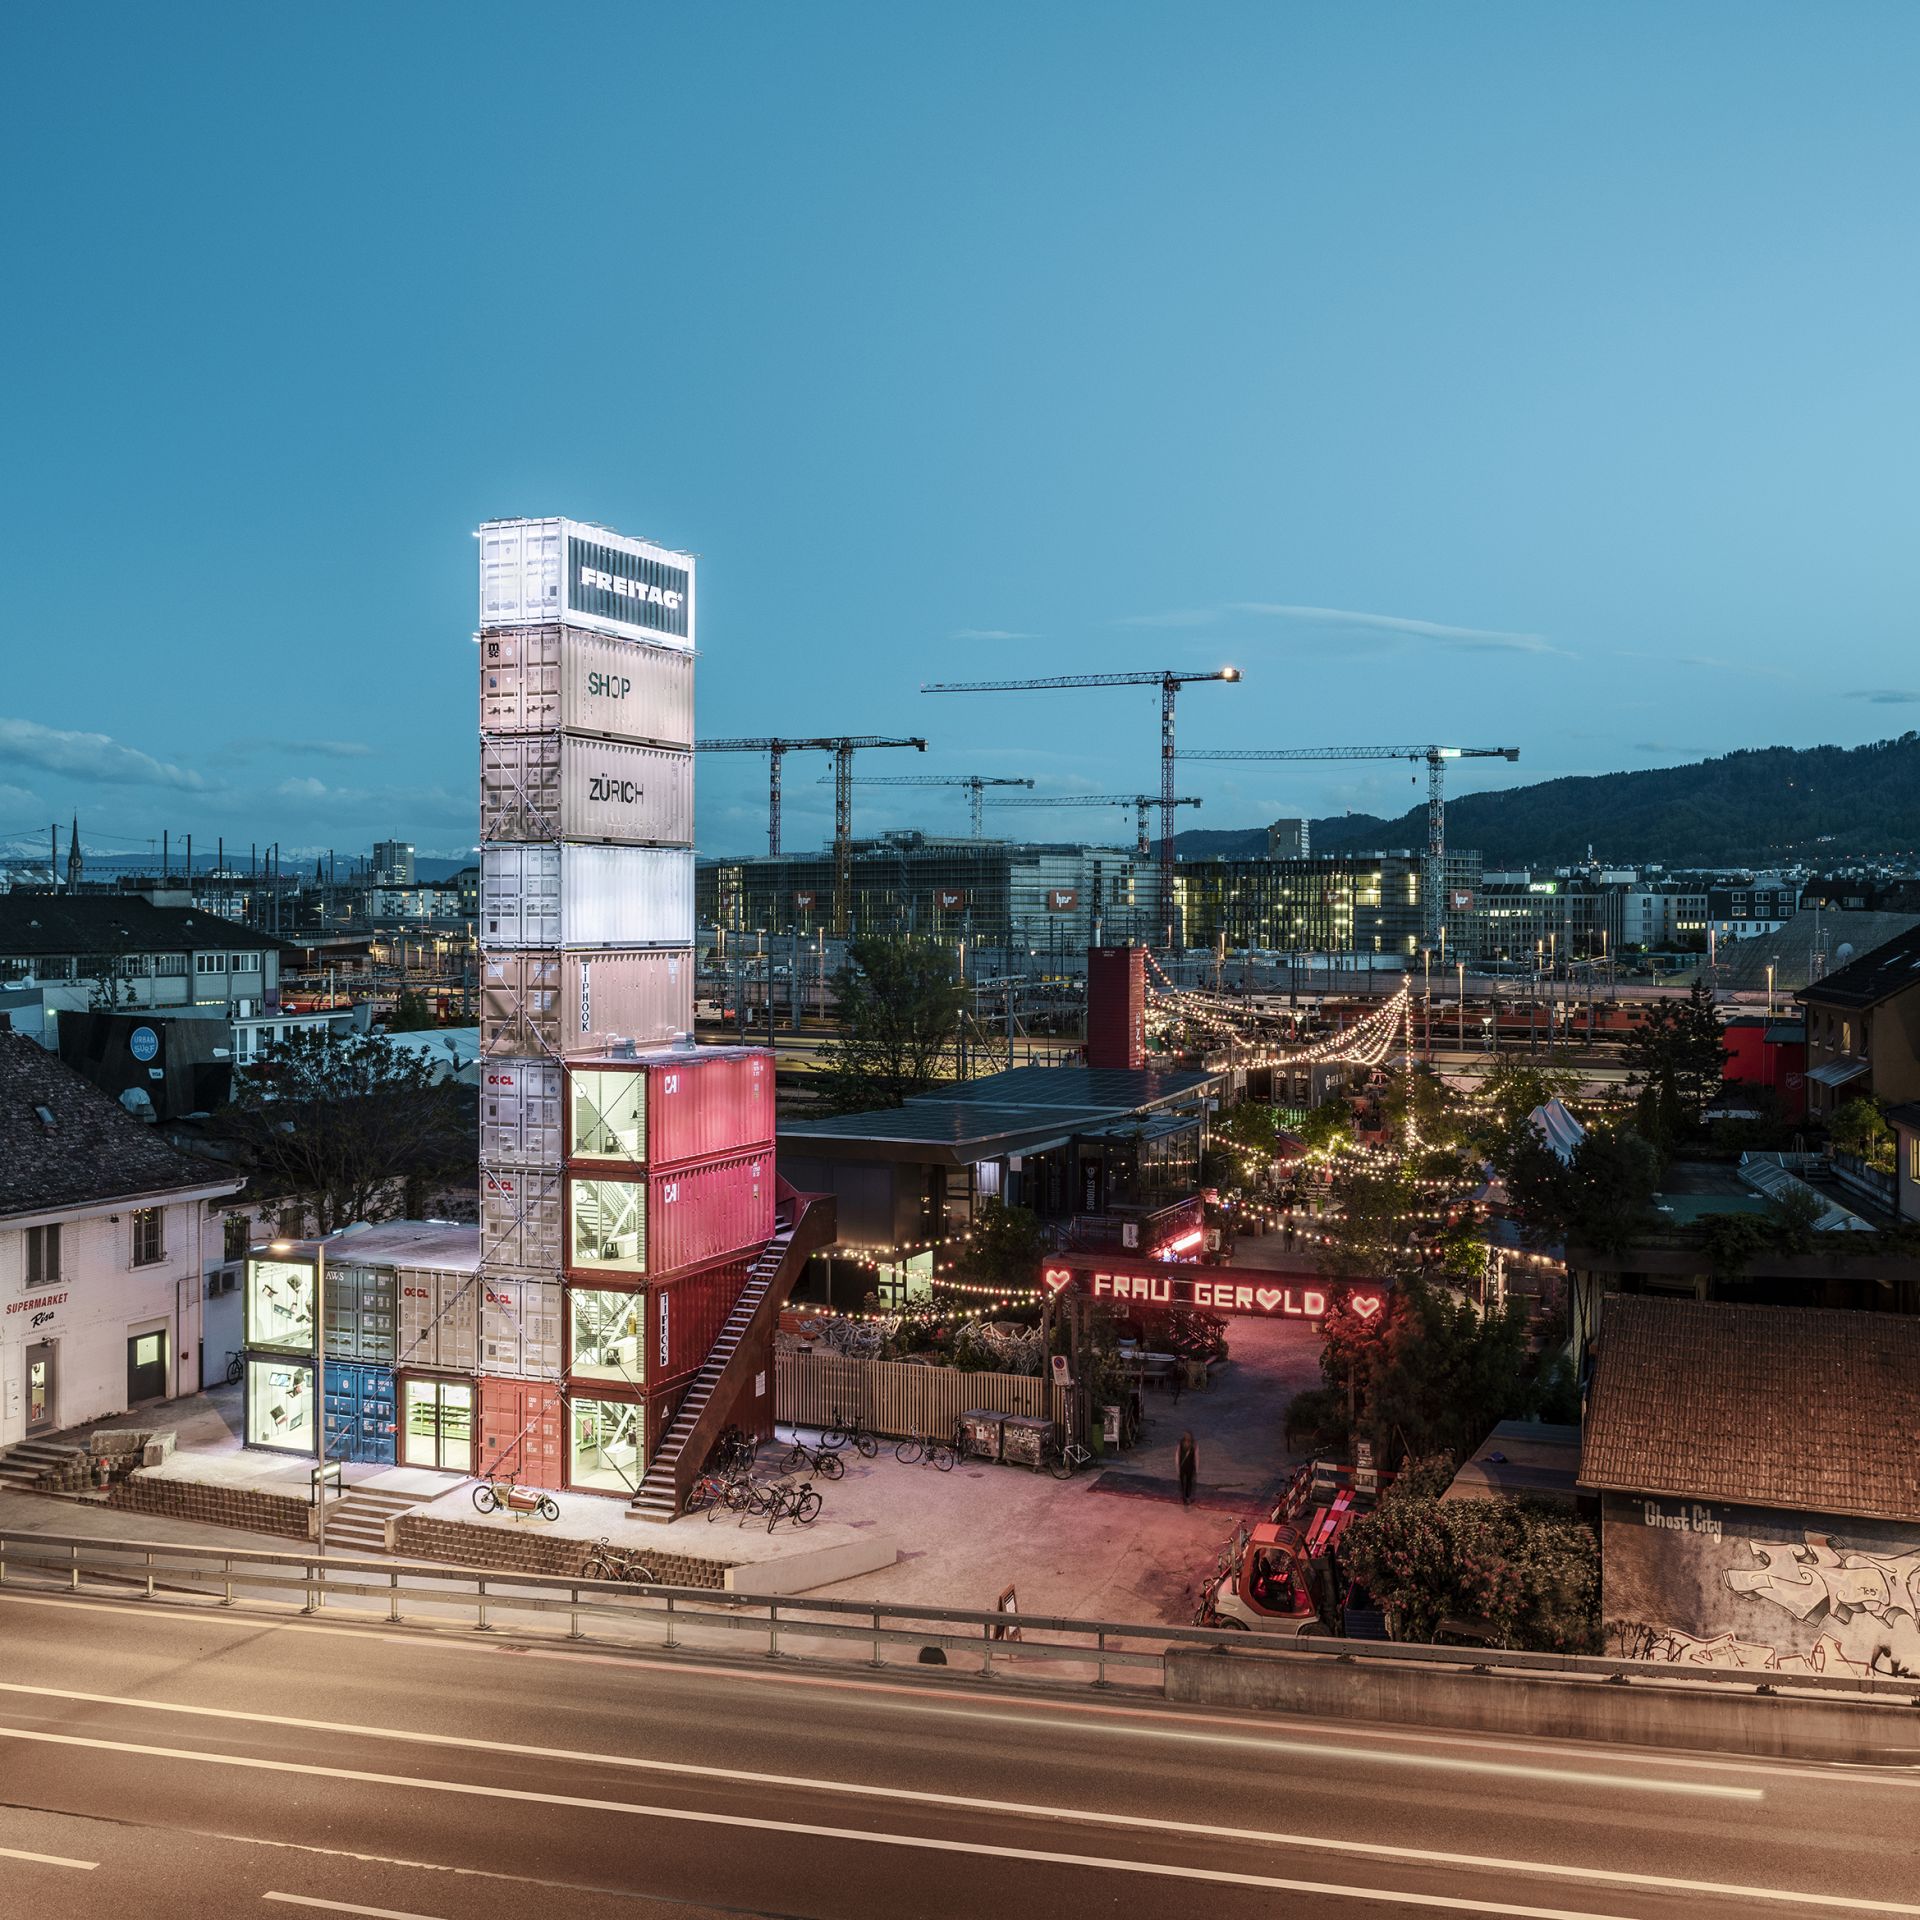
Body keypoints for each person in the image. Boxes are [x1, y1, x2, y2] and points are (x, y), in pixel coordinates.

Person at [1177, 1430, 1197, 1506]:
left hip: (1186, 1467)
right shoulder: (1182, 1444)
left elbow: (1196, 1456)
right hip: (1186, 1467)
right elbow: (1177, 1454)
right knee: (1186, 1482)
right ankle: (1186, 1497)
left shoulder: (1192, 1445)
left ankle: (1186, 1497)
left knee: (1186, 1482)